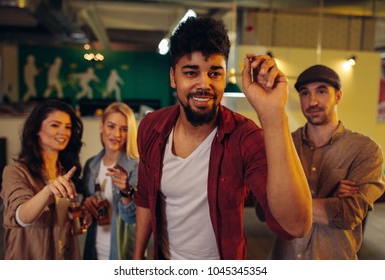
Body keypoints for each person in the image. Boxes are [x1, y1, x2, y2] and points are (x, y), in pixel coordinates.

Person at [133, 16, 312, 260]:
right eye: (191, 72)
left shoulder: (244, 139)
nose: (204, 84)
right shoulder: (152, 127)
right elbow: (144, 196)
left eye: (214, 73)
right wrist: (137, 257)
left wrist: (272, 113)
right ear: (173, 77)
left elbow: (296, 225)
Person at [268, 64, 385, 259]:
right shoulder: (283, 146)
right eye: (305, 93)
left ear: (338, 96)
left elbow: (347, 214)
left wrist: (285, 202)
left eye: (321, 91)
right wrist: (331, 199)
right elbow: (264, 210)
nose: (312, 101)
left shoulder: (365, 150)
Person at [1, 99, 84, 259]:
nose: (64, 132)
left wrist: (81, 214)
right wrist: (47, 191)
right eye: (55, 125)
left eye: (68, 127)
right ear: (37, 129)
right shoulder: (15, 172)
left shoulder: (65, 171)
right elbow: (20, 217)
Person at [81, 102, 139, 260]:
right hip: (93, 250)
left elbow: (134, 218)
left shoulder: (137, 167)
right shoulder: (90, 164)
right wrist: (86, 203)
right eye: (111, 126)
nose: (117, 134)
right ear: (101, 126)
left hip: (123, 252)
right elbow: (83, 207)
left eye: (124, 129)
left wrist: (126, 192)